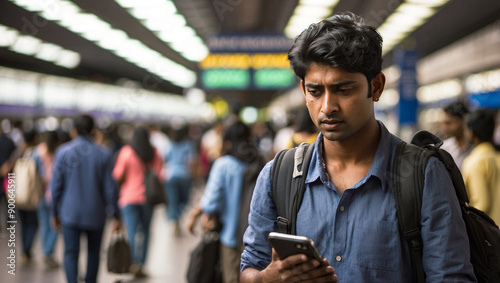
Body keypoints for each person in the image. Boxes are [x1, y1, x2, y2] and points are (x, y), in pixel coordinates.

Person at [240, 12, 476, 282]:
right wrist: (263, 279)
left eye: (343, 90)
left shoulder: (423, 176)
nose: (327, 107)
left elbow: (451, 276)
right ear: (304, 90)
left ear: (376, 87)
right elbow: (251, 264)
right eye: (315, 92)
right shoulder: (278, 176)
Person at [51, 114, 121, 283]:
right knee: (94, 252)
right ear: (93, 131)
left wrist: (54, 213)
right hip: (96, 213)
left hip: (69, 213)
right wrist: (117, 215)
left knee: (70, 252)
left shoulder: (63, 152)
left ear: (73, 131)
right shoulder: (104, 154)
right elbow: (110, 189)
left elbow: (55, 187)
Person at [187, 121, 260, 283]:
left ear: (227, 141)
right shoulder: (259, 163)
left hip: (231, 237)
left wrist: (196, 215)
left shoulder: (224, 165)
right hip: (256, 239)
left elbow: (210, 203)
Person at [112, 125, 163, 278]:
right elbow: (160, 175)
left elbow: (117, 175)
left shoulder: (127, 152)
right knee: (146, 231)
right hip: (148, 198)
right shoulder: (154, 152)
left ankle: (133, 261)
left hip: (129, 198)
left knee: (133, 231)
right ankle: (141, 263)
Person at [462, 109, 500, 224]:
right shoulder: (496, 156)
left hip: (491, 236)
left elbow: (482, 204)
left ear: (471, 133)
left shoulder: (474, 162)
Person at [164, 124, 197, 236]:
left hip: (170, 175)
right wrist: (195, 176)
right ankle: (176, 216)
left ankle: (174, 218)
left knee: (173, 200)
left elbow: (165, 158)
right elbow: (191, 162)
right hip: (184, 175)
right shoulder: (189, 144)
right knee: (185, 200)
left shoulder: (170, 144)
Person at [35, 130, 61, 268]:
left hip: (40, 192)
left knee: (44, 224)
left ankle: (46, 251)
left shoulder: (38, 151)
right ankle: (48, 252)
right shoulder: (59, 152)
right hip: (55, 194)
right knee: (56, 225)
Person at [16, 129, 40, 265]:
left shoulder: (19, 152)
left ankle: (25, 251)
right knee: (32, 224)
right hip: (31, 195)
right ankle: (26, 250)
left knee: (23, 224)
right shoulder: (36, 154)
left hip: (19, 193)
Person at [440, 101, 474, 170]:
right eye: (443, 123)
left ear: (463, 120)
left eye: (448, 123)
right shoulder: (445, 149)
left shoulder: (475, 147)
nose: (444, 128)